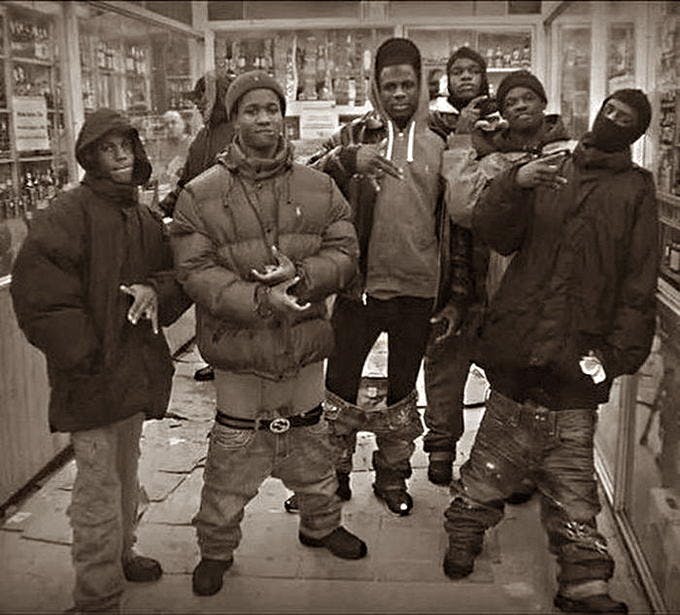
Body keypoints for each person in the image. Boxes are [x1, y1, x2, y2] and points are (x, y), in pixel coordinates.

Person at [442, 89, 658, 615]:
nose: (612, 121)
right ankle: (464, 536)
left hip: (579, 354)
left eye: (625, 120)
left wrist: (617, 355)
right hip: (520, 341)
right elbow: (497, 233)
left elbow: (638, 278)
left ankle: (584, 583)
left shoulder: (635, 189)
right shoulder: (550, 165)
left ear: (637, 133)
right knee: (490, 459)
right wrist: (515, 184)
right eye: (609, 111)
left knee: (573, 476)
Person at [170, 70, 366, 598]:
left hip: (303, 345)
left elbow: (345, 252)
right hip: (238, 351)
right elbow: (195, 272)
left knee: (312, 442)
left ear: (284, 116)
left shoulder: (319, 186)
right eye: (251, 110)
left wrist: (302, 277)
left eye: (271, 109)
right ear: (234, 120)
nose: (264, 118)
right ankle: (215, 548)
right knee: (232, 455)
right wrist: (259, 299)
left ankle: (321, 524)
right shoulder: (200, 193)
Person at [10, 108, 190, 613]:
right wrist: (84, 354)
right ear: (90, 156)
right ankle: (96, 594)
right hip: (89, 379)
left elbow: (175, 274)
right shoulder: (67, 214)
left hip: (132, 374)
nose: (120, 156)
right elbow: (40, 295)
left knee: (127, 472)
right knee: (96, 487)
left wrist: (155, 289)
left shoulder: (144, 216)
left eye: (126, 146)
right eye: (108, 148)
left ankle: (122, 552)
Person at [296, 38, 469, 517]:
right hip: (360, 290)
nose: (398, 93)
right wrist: (345, 161)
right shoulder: (354, 135)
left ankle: (393, 478)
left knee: (402, 394)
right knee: (338, 389)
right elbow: (300, 180)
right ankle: (333, 476)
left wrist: (456, 295)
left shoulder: (446, 137)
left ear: (422, 86)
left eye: (407, 84)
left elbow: (463, 228)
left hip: (420, 294)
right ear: (375, 86)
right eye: (389, 84)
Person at [439, 70, 576, 504]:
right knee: (496, 378)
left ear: (542, 102)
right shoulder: (495, 161)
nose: (520, 105)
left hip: (554, 289)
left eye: (528, 97)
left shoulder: (570, 154)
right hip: (495, 284)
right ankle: (484, 465)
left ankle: (526, 469)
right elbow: (462, 209)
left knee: (537, 384)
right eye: (511, 100)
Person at [422, 46, 499, 487]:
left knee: (504, 370)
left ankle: (496, 456)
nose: (466, 78)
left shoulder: (504, 123)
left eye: (474, 70)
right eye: (458, 72)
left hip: (494, 265)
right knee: (444, 364)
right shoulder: (435, 127)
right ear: (447, 80)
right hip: (449, 262)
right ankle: (440, 447)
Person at [159, 69, 235, 383]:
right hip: (204, 238)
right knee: (208, 303)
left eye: (202, 97)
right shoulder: (202, 137)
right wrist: (162, 209)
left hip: (231, 237)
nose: (199, 105)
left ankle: (231, 361)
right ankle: (217, 359)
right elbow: (187, 182)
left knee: (230, 303)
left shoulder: (235, 132)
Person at [155, 110, 191, 187]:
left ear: (183, 125)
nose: (170, 127)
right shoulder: (162, 147)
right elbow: (159, 173)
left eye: (173, 123)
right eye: (166, 124)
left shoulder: (192, 143)